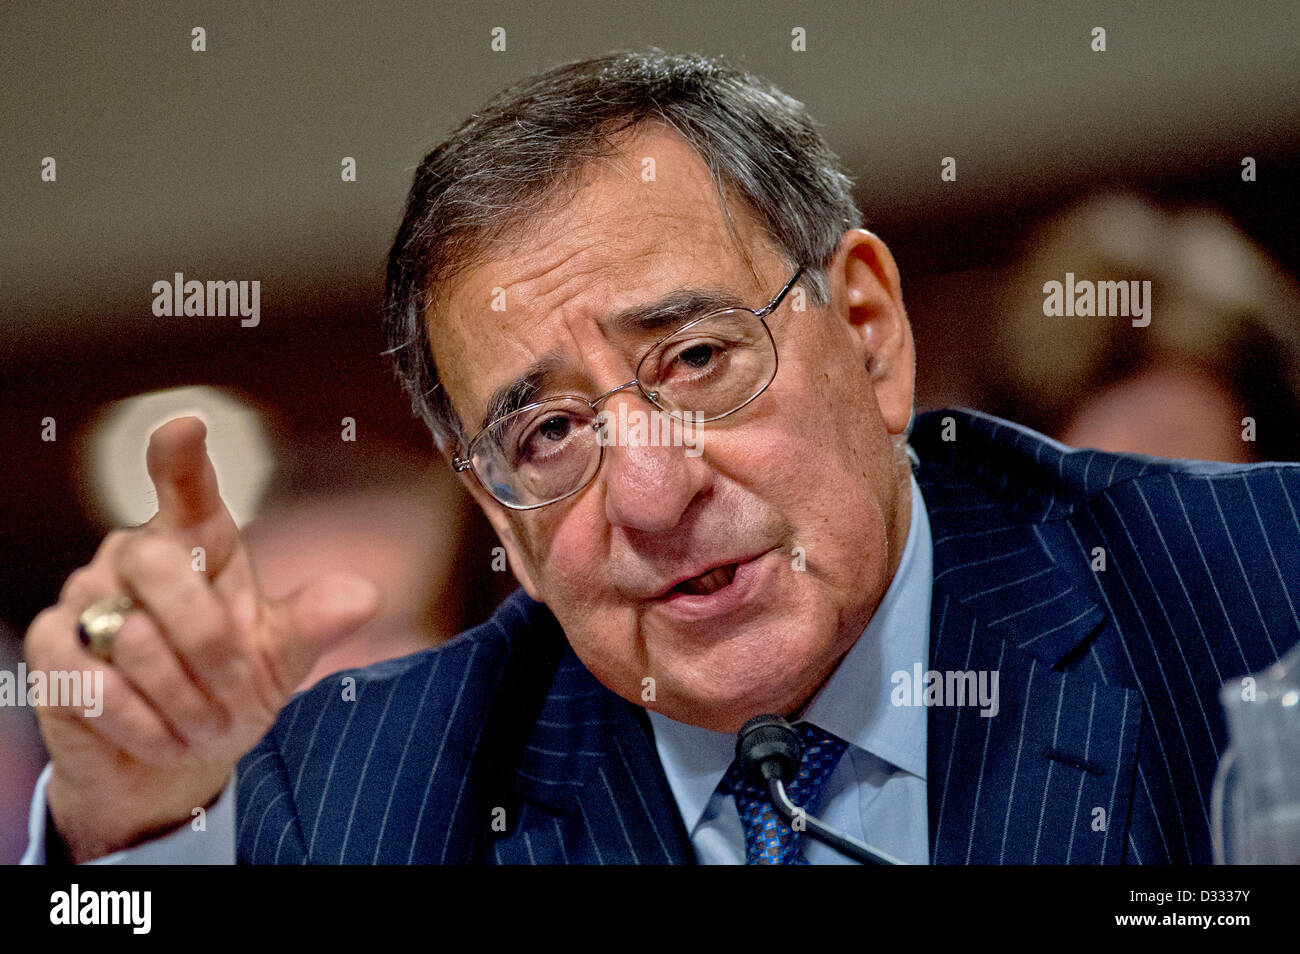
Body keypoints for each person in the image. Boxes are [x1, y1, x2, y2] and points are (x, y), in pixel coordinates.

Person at [22, 50, 1300, 865]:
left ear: (867, 333)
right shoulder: (359, 799)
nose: (650, 489)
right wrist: (134, 832)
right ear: (499, 516)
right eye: (550, 433)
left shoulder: (1247, 592)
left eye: (695, 360)